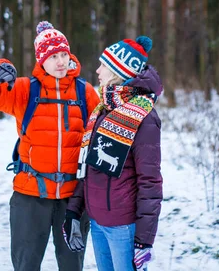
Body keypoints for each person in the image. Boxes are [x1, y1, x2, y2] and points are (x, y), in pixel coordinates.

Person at [0, 21, 100, 271]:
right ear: (41, 59)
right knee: (26, 264)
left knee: (72, 265)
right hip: (30, 195)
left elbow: (101, 132)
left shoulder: (85, 92)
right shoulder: (25, 90)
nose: (60, 61)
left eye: (64, 55)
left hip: (73, 198)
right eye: (53, 56)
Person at [62, 36, 163, 271]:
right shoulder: (103, 109)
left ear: (118, 71)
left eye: (103, 65)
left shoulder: (143, 117)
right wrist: (74, 211)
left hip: (124, 228)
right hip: (97, 223)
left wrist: (144, 240)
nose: (97, 70)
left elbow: (150, 181)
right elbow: (89, 167)